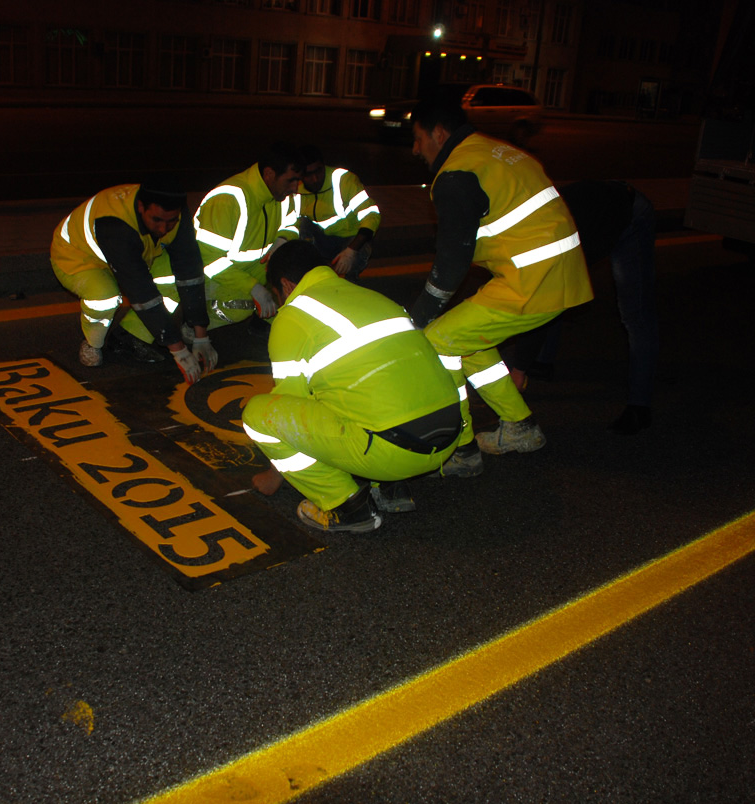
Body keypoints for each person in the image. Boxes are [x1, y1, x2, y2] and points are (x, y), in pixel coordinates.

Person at [407, 96, 593, 477]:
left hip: (532, 277)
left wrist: (418, 318)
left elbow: (452, 260)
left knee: (438, 340)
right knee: (466, 338)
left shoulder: (457, 172)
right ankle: (520, 427)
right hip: (554, 271)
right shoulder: (495, 151)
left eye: (418, 138)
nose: (415, 149)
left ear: (438, 133)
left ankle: (460, 450)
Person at [242, 240, 463, 533]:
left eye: (277, 294)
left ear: (286, 284)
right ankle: (390, 489)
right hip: (447, 437)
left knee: (258, 414)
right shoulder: (369, 296)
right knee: (355, 389)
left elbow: (290, 408)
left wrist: (274, 475)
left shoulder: (293, 315)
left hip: (393, 453)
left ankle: (346, 506)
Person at [507, 181, 659, 435]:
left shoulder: (545, 239)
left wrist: (519, 367)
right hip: (587, 220)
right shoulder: (529, 234)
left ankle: (639, 407)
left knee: (635, 314)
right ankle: (543, 363)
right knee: (557, 288)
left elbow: (543, 298)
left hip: (628, 214)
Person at [49, 180, 217, 385]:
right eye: (156, 220)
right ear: (140, 208)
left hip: (129, 255)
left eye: (170, 221)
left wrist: (201, 334)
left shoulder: (175, 215)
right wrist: (179, 350)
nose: (164, 228)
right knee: (104, 296)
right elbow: (140, 290)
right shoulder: (115, 224)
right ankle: (93, 342)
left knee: (172, 276)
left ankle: (129, 337)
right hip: (78, 257)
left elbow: (190, 270)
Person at [193, 142, 303, 331]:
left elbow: (292, 223)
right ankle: (194, 327)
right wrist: (253, 287)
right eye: (290, 181)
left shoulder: (281, 195)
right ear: (269, 174)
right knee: (239, 306)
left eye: (298, 181)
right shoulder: (228, 200)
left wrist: (282, 240)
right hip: (217, 276)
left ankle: (266, 321)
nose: (295, 188)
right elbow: (209, 261)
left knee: (297, 281)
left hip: (255, 269)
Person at [291, 145, 381, 280]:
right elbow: (290, 222)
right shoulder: (295, 188)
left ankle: (349, 281)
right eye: (308, 175)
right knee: (300, 225)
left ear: (323, 165)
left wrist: (351, 250)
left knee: (358, 254)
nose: (315, 179)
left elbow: (371, 215)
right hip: (321, 240)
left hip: (349, 240)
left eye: (318, 171)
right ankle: (311, 274)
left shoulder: (343, 180)